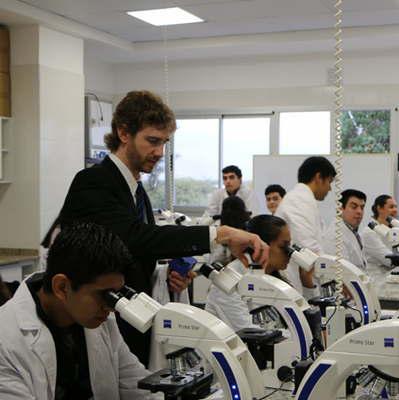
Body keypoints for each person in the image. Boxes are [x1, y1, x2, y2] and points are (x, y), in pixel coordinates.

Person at [59, 90, 268, 366]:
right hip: (93, 320)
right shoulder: (94, 181)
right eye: (152, 141)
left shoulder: (136, 190)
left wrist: (166, 272)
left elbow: (130, 251)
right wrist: (221, 234)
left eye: (164, 143)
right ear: (123, 133)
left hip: (128, 322)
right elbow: (132, 238)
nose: (159, 152)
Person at [0, 222, 156, 400]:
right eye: (104, 295)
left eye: (116, 294)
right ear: (62, 287)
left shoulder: (101, 320)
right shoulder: (5, 341)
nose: (111, 307)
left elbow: (138, 386)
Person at [205, 215, 292, 332]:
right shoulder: (229, 281)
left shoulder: (273, 276)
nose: (290, 253)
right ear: (263, 245)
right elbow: (251, 332)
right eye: (284, 246)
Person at [275, 156, 336, 296]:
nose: (330, 188)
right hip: (291, 277)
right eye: (329, 182)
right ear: (319, 177)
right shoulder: (298, 200)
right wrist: (337, 276)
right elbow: (307, 245)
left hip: (302, 276)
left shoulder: (304, 199)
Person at [323, 189, 368, 270]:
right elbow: (342, 274)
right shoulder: (335, 236)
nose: (359, 211)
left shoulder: (353, 232)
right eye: (354, 207)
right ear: (340, 208)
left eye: (362, 207)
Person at [361, 194, 398, 267]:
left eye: (396, 207)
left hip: (390, 273)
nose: (395, 210)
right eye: (391, 207)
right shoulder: (369, 232)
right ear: (379, 208)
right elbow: (389, 260)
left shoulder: (392, 229)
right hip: (377, 275)